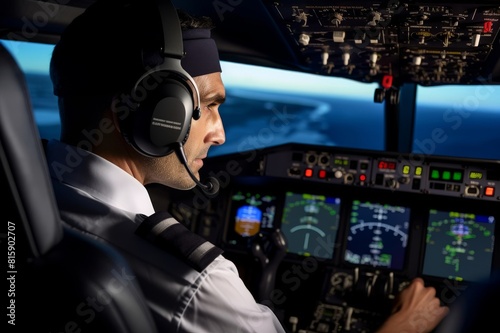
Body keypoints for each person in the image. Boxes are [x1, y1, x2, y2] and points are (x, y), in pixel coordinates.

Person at [45, 0, 449, 332]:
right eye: (209, 107)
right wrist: (406, 326)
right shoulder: (199, 283)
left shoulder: (29, 198)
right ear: (141, 112)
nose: (220, 135)